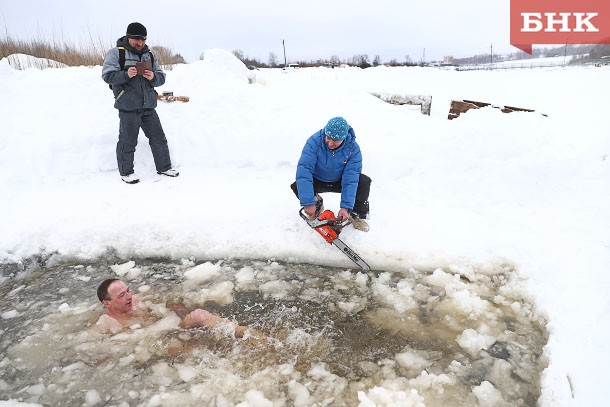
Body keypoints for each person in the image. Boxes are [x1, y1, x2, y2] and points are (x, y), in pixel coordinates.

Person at [102, 22, 179, 184]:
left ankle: (164, 167)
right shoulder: (116, 53)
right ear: (128, 37)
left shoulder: (149, 54)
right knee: (128, 140)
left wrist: (153, 77)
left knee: (158, 138)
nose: (140, 43)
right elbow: (107, 76)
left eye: (143, 40)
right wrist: (125, 74)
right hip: (128, 106)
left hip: (148, 105)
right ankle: (126, 172)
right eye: (137, 39)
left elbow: (161, 78)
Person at [94, 278, 262, 342]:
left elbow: (168, 301)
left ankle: (247, 333)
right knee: (199, 321)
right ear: (107, 303)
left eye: (128, 290)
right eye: (122, 295)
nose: (129, 296)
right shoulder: (106, 322)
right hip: (156, 341)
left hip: (170, 328)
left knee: (200, 315)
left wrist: (179, 309)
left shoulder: (137, 300)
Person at [291, 117, 371, 231]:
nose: (330, 143)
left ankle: (356, 215)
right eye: (328, 138)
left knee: (363, 181)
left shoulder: (353, 149)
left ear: (343, 138)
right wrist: (308, 202)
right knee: (299, 184)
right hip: (318, 179)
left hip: (340, 181)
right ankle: (316, 205)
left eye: (335, 140)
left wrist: (346, 208)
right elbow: (304, 170)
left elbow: (350, 178)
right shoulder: (314, 142)